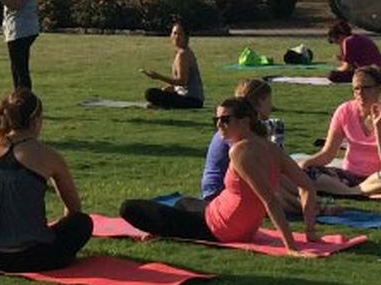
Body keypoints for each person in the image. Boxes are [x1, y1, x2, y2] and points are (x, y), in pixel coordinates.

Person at [118, 98, 319, 256]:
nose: (219, 125)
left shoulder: (239, 151)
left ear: (245, 121)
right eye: (216, 120)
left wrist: (291, 247)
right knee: (183, 202)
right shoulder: (272, 148)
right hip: (221, 217)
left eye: (225, 120)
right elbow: (307, 186)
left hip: (218, 229)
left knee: (129, 208)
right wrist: (310, 231)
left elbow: (270, 199)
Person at [0, 88, 92, 273]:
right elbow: (74, 209)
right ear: (35, 120)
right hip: (30, 257)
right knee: (82, 223)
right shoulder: (48, 155)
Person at [179, 79, 287, 215]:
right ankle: (313, 204)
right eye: (269, 101)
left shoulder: (251, 126)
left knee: (283, 182)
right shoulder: (236, 132)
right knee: (279, 187)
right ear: (260, 102)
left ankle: (313, 203)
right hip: (221, 193)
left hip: (232, 187)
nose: (271, 106)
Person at [303, 67, 381, 200]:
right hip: (348, 176)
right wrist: (306, 163)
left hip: (378, 178)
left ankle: (351, 191)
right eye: (356, 88)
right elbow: (327, 154)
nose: (360, 93)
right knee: (306, 172)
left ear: (379, 89)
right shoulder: (344, 111)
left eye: (366, 88)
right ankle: (357, 193)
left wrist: (378, 126)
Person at [142, 20, 205, 110]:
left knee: (150, 93)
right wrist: (172, 88)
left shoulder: (183, 54)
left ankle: (163, 106)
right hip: (189, 97)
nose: (176, 37)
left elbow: (182, 81)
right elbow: (182, 85)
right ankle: (162, 105)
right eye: (174, 33)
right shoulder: (183, 52)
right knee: (161, 92)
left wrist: (158, 77)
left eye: (180, 34)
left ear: (186, 37)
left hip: (191, 100)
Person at [325, 19, 381, 83]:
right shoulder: (355, 38)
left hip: (369, 72)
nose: (338, 44)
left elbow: (347, 67)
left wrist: (337, 69)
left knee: (332, 75)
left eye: (336, 41)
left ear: (340, 36)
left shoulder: (348, 41)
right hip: (375, 70)